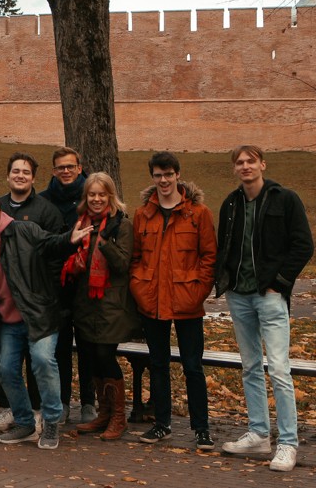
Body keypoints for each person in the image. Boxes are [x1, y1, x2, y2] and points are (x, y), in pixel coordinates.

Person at [215, 145, 314, 472]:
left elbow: (303, 245)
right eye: (239, 162)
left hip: (270, 295)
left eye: (250, 161)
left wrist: (280, 282)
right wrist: (225, 281)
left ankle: (288, 443)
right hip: (239, 296)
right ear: (235, 169)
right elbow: (224, 246)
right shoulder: (231, 203)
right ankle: (259, 433)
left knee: (280, 370)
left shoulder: (285, 199)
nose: (245, 166)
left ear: (262, 164)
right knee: (250, 366)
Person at [0, 191, 91, 450]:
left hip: (38, 314)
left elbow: (50, 244)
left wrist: (70, 239)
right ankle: (25, 423)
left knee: (44, 362)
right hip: (8, 322)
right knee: (7, 370)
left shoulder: (22, 230)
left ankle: (51, 422)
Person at [129, 152, 217, 450]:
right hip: (152, 300)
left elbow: (209, 257)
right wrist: (139, 287)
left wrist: (197, 291)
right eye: (158, 175)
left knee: (193, 366)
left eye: (168, 174)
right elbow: (136, 257)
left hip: (186, 300)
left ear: (178, 175)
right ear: (152, 177)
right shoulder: (143, 214)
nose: (163, 180)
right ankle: (161, 424)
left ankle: (201, 428)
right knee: (158, 364)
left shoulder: (198, 213)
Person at [0, 152, 64, 432]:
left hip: (37, 303)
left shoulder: (46, 211)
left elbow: (56, 255)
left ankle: (40, 412)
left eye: (26, 172)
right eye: (15, 171)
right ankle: (13, 410)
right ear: (8, 175)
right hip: (3, 301)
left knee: (40, 361)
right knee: (6, 363)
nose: (20, 175)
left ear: (33, 178)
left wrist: (49, 293)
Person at [65, 173, 139, 441]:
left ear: (110, 196)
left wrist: (103, 241)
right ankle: (104, 413)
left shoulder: (121, 225)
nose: (96, 199)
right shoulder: (81, 223)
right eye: (92, 194)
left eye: (101, 194)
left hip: (111, 304)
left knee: (105, 356)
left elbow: (122, 264)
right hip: (85, 303)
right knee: (91, 357)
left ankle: (118, 417)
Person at [39, 147, 96, 425]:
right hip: (55, 283)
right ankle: (62, 402)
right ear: (53, 170)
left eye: (70, 167)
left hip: (85, 281)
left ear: (79, 167)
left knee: (87, 344)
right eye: (60, 167)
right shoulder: (44, 201)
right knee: (59, 345)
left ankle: (88, 401)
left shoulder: (92, 196)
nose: (65, 171)